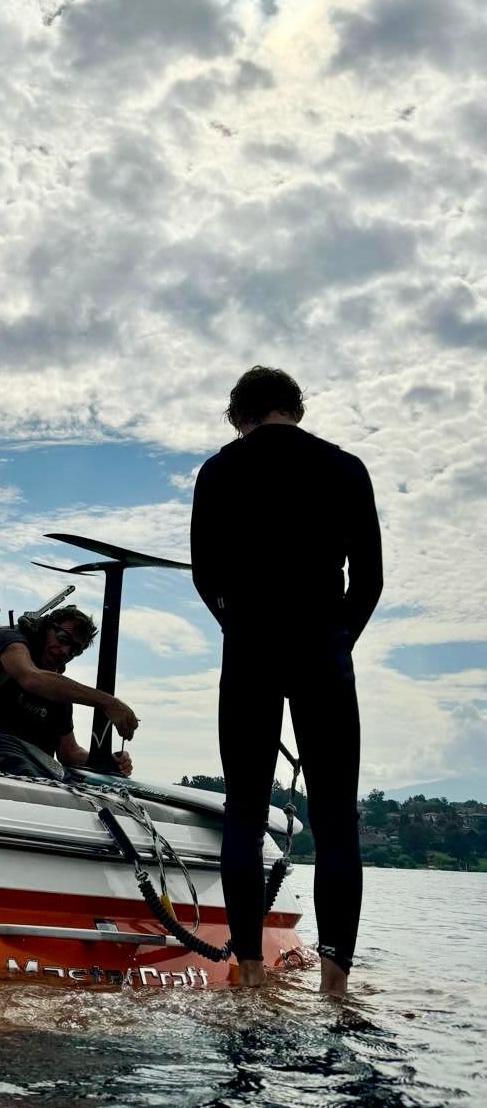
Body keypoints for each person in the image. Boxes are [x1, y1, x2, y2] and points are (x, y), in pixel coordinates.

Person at [191, 365, 383, 996]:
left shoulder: (219, 471)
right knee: (335, 820)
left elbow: (204, 575)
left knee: (244, 811)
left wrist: (237, 625)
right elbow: (370, 580)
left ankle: (247, 972)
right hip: (322, 651)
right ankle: (334, 986)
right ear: (295, 408)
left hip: (249, 647)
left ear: (239, 414)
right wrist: (335, 642)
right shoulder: (345, 467)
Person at [0, 606, 138, 776]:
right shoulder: (9, 642)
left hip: (16, 776)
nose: (65, 651)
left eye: (75, 650)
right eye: (63, 639)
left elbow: (69, 752)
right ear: (45, 628)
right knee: (23, 759)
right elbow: (30, 678)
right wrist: (108, 702)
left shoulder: (58, 691)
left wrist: (106, 762)